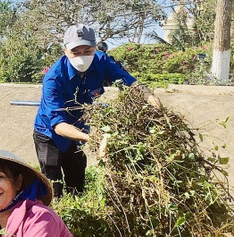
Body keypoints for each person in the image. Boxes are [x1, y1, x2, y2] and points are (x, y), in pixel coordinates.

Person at [33, 24, 158, 197]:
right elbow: (58, 124)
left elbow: (129, 82)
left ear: (95, 47)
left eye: (87, 50)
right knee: (53, 188)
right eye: (76, 52)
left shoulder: (101, 61)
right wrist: (95, 139)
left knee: (77, 183)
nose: (82, 56)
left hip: (78, 130)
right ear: (65, 50)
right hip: (49, 134)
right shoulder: (54, 78)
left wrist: (149, 96)